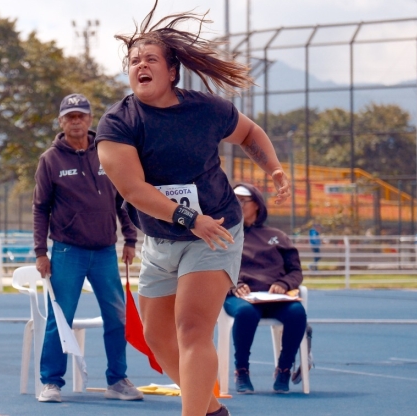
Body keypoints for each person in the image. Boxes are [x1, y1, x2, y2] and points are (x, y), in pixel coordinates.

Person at [95, 6, 291, 416]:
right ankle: (212, 409)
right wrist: (188, 219)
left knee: (191, 328)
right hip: (162, 238)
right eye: (134, 61)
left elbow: (249, 132)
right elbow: (133, 189)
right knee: (157, 336)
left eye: (150, 59)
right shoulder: (118, 123)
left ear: (172, 72)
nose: (140, 66)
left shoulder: (206, 110)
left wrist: (272, 167)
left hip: (215, 230)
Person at [33, 92, 143, 403]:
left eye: (81, 115)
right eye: (70, 116)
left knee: (117, 317)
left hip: (106, 251)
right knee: (61, 317)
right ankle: (51, 382)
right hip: (68, 252)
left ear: (90, 119)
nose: (76, 121)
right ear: (61, 122)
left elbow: (123, 198)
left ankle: (117, 380)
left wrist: (130, 239)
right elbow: (40, 208)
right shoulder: (50, 160)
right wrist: (41, 252)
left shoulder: (107, 153)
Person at [226, 184, 307, 394]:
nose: (237, 204)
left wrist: (284, 284)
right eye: (234, 200)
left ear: (257, 205)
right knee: (246, 313)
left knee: (297, 313)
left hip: (274, 297)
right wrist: (234, 285)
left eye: (243, 200)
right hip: (239, 296)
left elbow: (295, 271)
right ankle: (241, 371)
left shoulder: (277, 236)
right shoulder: (224, 235)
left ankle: (284, 370)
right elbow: (213, 268)